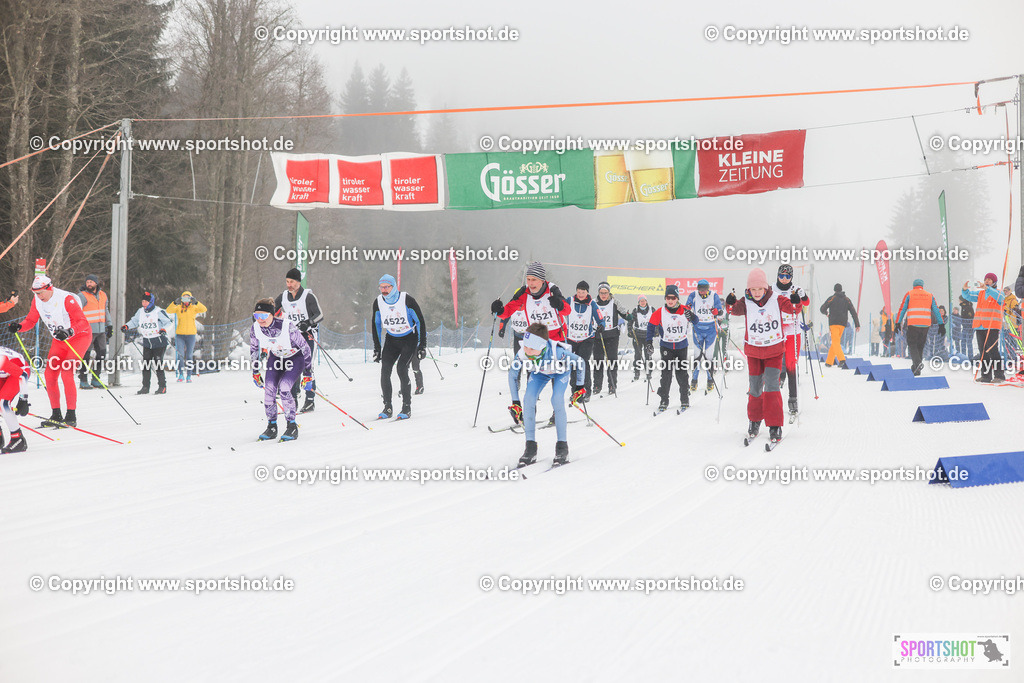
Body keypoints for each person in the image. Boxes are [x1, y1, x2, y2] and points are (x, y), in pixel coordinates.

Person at [726, 267, 802, 445]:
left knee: (772, 387)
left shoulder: (776, 298)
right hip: (753, 351)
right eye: (753, 289)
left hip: (774, 351)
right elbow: (733, 310)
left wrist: (796, 301)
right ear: (749, 289)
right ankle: (754, 420)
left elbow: (793, 309)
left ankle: (775, 425)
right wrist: (730, 303)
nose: (757, 292)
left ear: (766, 288)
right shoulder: (746, 301)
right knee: (754, 388)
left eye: (760, 289)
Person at [7, 275, 91, 427]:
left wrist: (70, 331)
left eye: (40, 293)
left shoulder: (66, 299)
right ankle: (56, 414)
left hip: (79, 337)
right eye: (35, 293)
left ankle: (71, 415)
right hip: (60, 340)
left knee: (66, 372)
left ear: (49, 288)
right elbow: (31, 320)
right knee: (50, 374)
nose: (38, 296)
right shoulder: (37, 300)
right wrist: (19, 326)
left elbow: (82, 322)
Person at [507, 323, 586, 468]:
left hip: (560, 371)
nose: (527, 351)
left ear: (542, 346)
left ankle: (562, 447)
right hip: (540, 373)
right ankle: (530, 447)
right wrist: (515, 402)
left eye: (531, 348)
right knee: (528, 399)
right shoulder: (523, 353)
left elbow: (580, 362)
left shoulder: (558, 353)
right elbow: (512, 375)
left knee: (556, 399)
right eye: (525, 346)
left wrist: (579, 387)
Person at [250, 298, 312, 441]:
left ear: (272, 314)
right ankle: (272, 426)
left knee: (284, 388)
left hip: (295, 358)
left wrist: (308, 373)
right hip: (276, 358)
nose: (260, 319)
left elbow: (306, 348)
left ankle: (292, 426)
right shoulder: (255, 328)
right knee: (269, 390)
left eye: (264, 315)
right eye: (257, 315)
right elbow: (254, 349)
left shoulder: (287, 326)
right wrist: (255, 372)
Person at [372, 274, 426, 419]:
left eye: (387, 287)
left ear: (393, 286)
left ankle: (406, 407)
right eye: (381, 287)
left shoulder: (406, 299)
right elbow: (376, 324)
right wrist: (377, 348)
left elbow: (420, 321)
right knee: (385, 370)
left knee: (401, 369)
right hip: (392, 339)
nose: (384, 290)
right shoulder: (378, 302)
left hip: (409, 338)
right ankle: (387, 407)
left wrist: (422, 345)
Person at [275, 268, 324, 413]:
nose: (289, 285)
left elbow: (319, 315)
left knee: (307, 367)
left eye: (292, 282)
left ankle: (310, 401)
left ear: (298, 282)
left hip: (308, 335)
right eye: (287, 282)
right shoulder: (283, 296)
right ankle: (293, 399)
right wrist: (261, 315)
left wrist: (308, 323)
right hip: (292, 337)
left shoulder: (308, 296)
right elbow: (272, 309)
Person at [645, 284, 697, 412]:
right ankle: (664, 399)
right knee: (666, 374)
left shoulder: (685, 310)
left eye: (673, 298)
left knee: (681, 374)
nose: (670, 300)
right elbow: (651, 326)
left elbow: (696, 321)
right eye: (668, 297)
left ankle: (684, 398)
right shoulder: (660, 312)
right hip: (666, 346)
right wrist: (649, 342)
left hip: (681, 346)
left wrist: (692, 316)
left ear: (677, 298)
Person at [491, 262, 571, 343]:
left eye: (534, 279)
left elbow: (567, 311)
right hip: (536, 338)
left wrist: (560, 305)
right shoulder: (523, 292)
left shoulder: (552, 289)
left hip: (557, 337)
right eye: (528, 279)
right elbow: (508, 311)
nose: (530, 283)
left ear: (542, 280)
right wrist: (499, 310)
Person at [772, 265, 808, 414]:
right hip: (776, 330)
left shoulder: (796, 288)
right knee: (774, 362)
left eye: (788, 277)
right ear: (778, 275)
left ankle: (793, 399)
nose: (784, 279)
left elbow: (806, 303)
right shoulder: (771, 289)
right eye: (782, 276)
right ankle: (772, 397)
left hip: (792, 330)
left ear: (791, 277)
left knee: (792, 364)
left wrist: (803, 295)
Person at [123, 291, 173, 394]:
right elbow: (134, 321)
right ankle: (145, 387)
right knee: (146, 364)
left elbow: (168, 322)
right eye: (143, 301)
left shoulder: (158, 311)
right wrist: (127, 326)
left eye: (146, 301)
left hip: (158, 341)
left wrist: (164, 329)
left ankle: (162, 386)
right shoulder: (140, 311)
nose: (144, 303)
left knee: (158, 364)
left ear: (151, 302)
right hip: (147, 341)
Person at [961, 274, 1005, 383]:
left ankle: (999, 375)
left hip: (992, 326)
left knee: (993, 350)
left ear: (994, 282)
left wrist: (987, 288)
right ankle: (986, 375)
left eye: (990, 280)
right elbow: (968, 296)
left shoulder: (998, 292)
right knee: (983, 351)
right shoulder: (980, 293)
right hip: (980, 326)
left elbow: (1001, 298)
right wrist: (964, 289)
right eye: (986, 279)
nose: (987, 281)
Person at [894, 278, 943, 375]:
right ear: (922, 286)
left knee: (912, 344)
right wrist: (941, 324)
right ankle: (916, 369)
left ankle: (917, 363)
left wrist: (897, 323)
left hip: (913, 324)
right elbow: (936, 310)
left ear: (914, 286)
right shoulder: (929, 295)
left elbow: (902, 309)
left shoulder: (909, 294)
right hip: (925, 325)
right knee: (920, 345)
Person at [565, 281, 603, 402]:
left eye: (583, 292)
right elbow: (558, 310)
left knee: (583, 363)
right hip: (571, 338)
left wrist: (601, 325)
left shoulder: (592, 304)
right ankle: (575, 391)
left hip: (586, 339)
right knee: (573, 365)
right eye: (579, 292)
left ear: (587, 292)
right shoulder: (569, 301)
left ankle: (586, 391)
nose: (581, 294)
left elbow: (599, 317)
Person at [686, 279, 724, 395]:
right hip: (697, 328)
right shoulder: (693, 295)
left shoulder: (714, 295)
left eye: (704, 289)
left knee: (708, 356)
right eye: (700, 290)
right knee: (697, 355)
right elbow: (687, 307)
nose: (702, 292)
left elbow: (720, 311)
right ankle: (694, 380)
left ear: (708, 289)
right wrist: (688, 312)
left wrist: (716, 311)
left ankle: (710, 379)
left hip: (711, 329)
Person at [591, 282, 627, 397]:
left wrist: (629, 317)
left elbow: (624, 313)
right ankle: (597, 385)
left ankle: (612, 385)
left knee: (612, 360)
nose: (603, 295)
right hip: (598, 336)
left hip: (612, 335)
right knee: (598, 361)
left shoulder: (615, 302)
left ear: (609, 293)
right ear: (598, 292)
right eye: (601, 293)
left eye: (605, 293)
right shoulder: (593, 303)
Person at [77, 274, 112, 390]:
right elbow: (76, 311)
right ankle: (83, 379)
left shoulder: (103, 295)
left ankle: (96, 379)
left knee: (101, 354)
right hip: (87, 331)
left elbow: (105, 310)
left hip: (101, 330)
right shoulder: (82, 296)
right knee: (85, 355)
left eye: (91, 282)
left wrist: (109, 325)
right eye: (87, 282)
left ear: (96, 283)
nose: (89, 284)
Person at [166, 291, 207, 382]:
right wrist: (174, 303)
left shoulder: (194, 308)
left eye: (187, 298)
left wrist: (196, 302)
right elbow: (168, 310)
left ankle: (189, 375)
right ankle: (181, 374)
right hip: (180, 335)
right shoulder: (178, 308)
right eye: (183, 298)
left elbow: (204, 309)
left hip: (191, 335)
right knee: (180, 355)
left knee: (189, 355)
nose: (186, 300)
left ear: (190, 299)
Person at [819, 283, 860, 368]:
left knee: (835, 342)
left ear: (834, 290)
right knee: (836, 342)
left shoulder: (832, 298)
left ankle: (841, 359)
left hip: (833, 323)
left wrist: (826, 313)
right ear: (841, 290)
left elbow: (822, 308)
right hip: (842, 324)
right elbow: (853, 312)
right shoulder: (847, 299)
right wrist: (857, 324)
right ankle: (829, 362)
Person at [0, 346, 31, 453]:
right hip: (3, 374)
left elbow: (22, 376)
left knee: (2, 403)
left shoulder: (1, 359)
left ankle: (18, 439)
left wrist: (23, 400)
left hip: (19, 372)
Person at [498, 308, 528, 392]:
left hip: (529, 336)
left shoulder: (529, 303)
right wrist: (502, 328)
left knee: (530, 359)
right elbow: (504, 317)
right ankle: (516, 381)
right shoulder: (513, 305)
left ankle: (531, 384)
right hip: (518, 336)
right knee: (517, 359)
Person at [627, 295, 654, 381]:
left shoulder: (651, 309)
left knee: (648, 354)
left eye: (644, 301)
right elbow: (630, 321)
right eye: (641, 301)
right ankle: (637, 371)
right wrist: (630, 331)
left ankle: (648, 371)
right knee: (638, 354)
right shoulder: (635, 310)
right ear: (638, 303)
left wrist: (656, 330)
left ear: (646, 301)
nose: (642, 302)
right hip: (638, 335)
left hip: (648, 336)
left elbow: (656, 320)